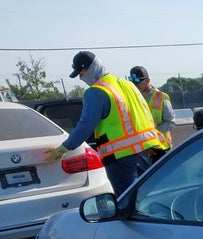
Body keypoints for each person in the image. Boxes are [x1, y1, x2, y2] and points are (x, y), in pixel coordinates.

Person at [44, 51, 166, 197]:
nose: (81, 78)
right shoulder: (128, 84)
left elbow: (85, 126)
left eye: (81, 73)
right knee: (146, 197)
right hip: (147, 150)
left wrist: (63, 148)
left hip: (121, 157)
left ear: (91, 68)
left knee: (128, 202)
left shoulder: (95, 92)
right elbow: (146, 113)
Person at [128, 65, 175, 162]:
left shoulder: (161, 97)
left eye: (137, 80)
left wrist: (152, 133)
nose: (134, 84)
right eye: (131, 80)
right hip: (142, 150)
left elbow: (171, 122)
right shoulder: (132, 97)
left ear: (147, 80)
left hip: (161, 149)